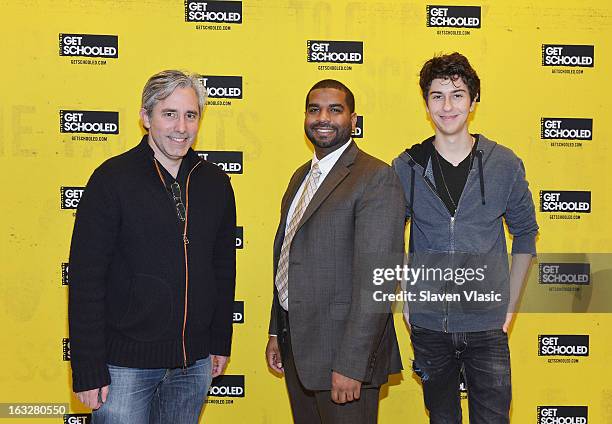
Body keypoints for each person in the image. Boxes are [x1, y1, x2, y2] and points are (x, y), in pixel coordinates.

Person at [68, 70, 236, 423]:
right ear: (146, 118)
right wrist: (87, 368)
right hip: (124, 367)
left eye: (190, 115)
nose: (181, 127)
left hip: (194, 364)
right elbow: (86, 279)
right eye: (169, 114)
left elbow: (222, 267)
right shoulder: (111, 179)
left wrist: (220, 340)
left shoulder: (216, 183)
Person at [392, 52, 538, 423]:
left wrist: (510, 305)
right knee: (441, 418)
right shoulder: (406, 166)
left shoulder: (504, 163)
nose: (447, 105)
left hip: (487, 323)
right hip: (429, 327)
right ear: (426, 104)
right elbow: (395, 237)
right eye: (437, 95)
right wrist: (407, 300)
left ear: (473, 102)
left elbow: (525, 235)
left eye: (457, 95)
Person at [265, 79, 405, 424]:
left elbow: (378, 281)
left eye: (335, 109)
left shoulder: (375, 177)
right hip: (298, 346)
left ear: (353, 120)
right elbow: (289, 256)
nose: (323, 117)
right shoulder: (301, 177)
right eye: (315, 109)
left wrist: (351, 365)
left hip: (343, 359)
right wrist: (276, 331)